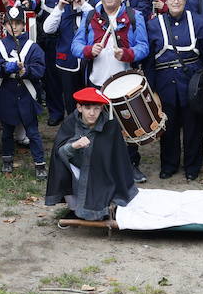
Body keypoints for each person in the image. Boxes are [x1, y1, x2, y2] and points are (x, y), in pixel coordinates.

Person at [71, 0, 150, 182]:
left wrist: (127, 53)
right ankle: (98, 167)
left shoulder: (134, 16)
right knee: (97, 126)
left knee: (128, 126)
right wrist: (88, 50)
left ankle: (131, 165)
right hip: (97, 81)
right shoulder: (90, 16)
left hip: (124, 82)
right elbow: (75, 45)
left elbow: (144, 46)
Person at [146, 0, 203, 180]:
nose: (176, 1)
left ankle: (192, 167)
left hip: (191, 83)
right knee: (168, 127)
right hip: (165, 83)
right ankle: (169, 164)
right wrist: (152, 89)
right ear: (166, 0)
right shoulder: (154, 25)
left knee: (193, 126)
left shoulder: (200, 23)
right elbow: (150, 61)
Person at [44, 87, 139, 221]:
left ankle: (103, 208)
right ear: (79, 107)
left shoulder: (110, 125)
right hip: (77, 167)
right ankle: (73, 208)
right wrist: (73, 146)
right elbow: (59, 152)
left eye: (96, 108)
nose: (92, 113)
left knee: (100, 191)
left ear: (101, 109)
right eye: (88, 108)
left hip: (102, 169)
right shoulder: (71, 122)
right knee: (61, 166)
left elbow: (117, 157)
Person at [0, 5, 47, 179]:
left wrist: (25, 70)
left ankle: (39, 163)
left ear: (24, 25)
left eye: (17, 23)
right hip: (7, 93)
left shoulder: (33, 47)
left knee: (33, 131)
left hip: (26, 94)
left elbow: (40, 69)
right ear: (4, 26)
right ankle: (7, 160)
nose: (14, 27)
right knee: (7, 131)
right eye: (9, 23)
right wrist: (10, 66)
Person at [41, 0, 91, 122]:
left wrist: (83, 5)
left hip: (89, 62)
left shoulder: (92, 4)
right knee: (71, 102)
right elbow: (47, 29)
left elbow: (99, 20)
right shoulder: (62, 8)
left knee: (89, 101)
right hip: (67, 62)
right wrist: (59, 8)